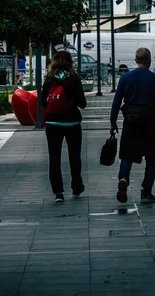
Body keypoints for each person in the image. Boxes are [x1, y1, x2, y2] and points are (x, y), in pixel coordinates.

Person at [110, 47, 155, 204]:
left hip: (131, 121)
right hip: (151, 122)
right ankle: (146, 192)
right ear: (149, 61)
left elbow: (117, 101)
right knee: (151, 159)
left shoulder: (126, 77)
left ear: (136, 61)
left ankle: (123, 178)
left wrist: (113, 122)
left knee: (127, 155)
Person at [41, 51, 87, 202]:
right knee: (74, 156)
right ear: (70, 62)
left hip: (53, 123)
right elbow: (83, 104)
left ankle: (58, 192)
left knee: (54, 157)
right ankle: (76, 187)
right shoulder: (73, 78)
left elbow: (43, 102)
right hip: (72, 123)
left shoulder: (49, 79)